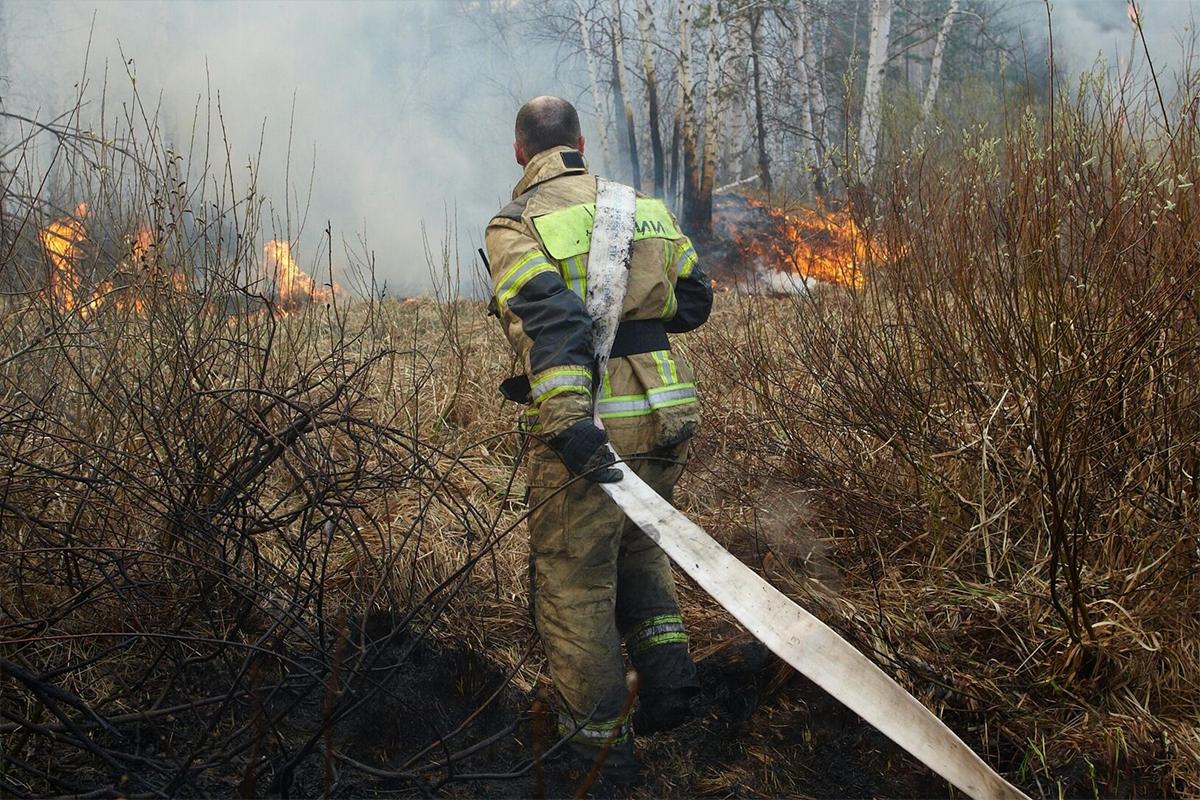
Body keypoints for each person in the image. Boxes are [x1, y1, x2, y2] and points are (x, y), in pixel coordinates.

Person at [484, 96, 714, 785]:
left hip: (592, 418)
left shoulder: (515, 223)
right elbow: (694, 301)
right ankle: (672, 688)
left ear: (521, 152)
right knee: (639, 545)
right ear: (580, 142)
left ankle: (598, 758)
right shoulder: (643, 206)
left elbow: (551, 320)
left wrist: (565, 420)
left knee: (575, 580)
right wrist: (639, 302)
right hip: (666, 406)